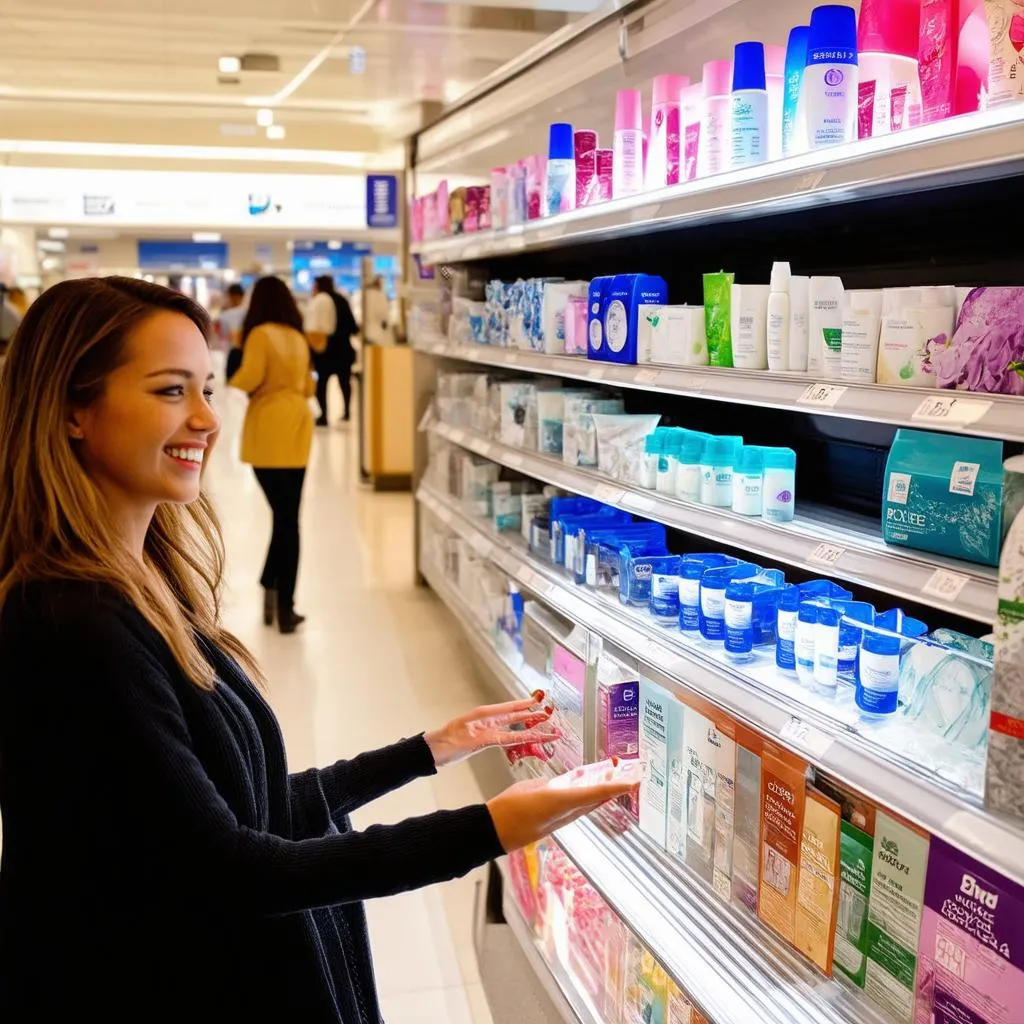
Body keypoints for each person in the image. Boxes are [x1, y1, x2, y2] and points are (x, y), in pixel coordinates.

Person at [0, 275, 637, 1021]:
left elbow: (244, 807)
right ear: (74, 409)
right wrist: (493, 826)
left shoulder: (144, 583)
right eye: (171, 392)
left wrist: (427, 749)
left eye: (206, 387)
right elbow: (235, 871)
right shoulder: (72, 624)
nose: (207, 418)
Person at [228, 276, 314, 633]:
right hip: (298, 426)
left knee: (285, 519)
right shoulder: (297, 336)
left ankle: (281, 603)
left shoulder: (260, 334)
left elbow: (248, 378)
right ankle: (277, 595)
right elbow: (309, 384)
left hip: (269, 428)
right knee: (288, 516)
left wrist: (232, 372)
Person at [305, 274, 358, 425]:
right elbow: (353, 326)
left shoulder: (317, 303)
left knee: (322, 384)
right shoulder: (342, 301)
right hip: (343, 349)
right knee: (345, 382)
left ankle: (323, 416)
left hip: (324, 351)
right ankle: (347, 411)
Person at [362, 275, 392, 347]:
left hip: (367, 331)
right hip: (377, 331)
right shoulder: (380, 295)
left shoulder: (365, 295)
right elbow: (384, 314)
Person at [218, 281, 247, 347]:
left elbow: (222, 336)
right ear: (243, 296)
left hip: (231, 350)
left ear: (230, 296)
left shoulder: (225, 315)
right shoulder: (248, 312)